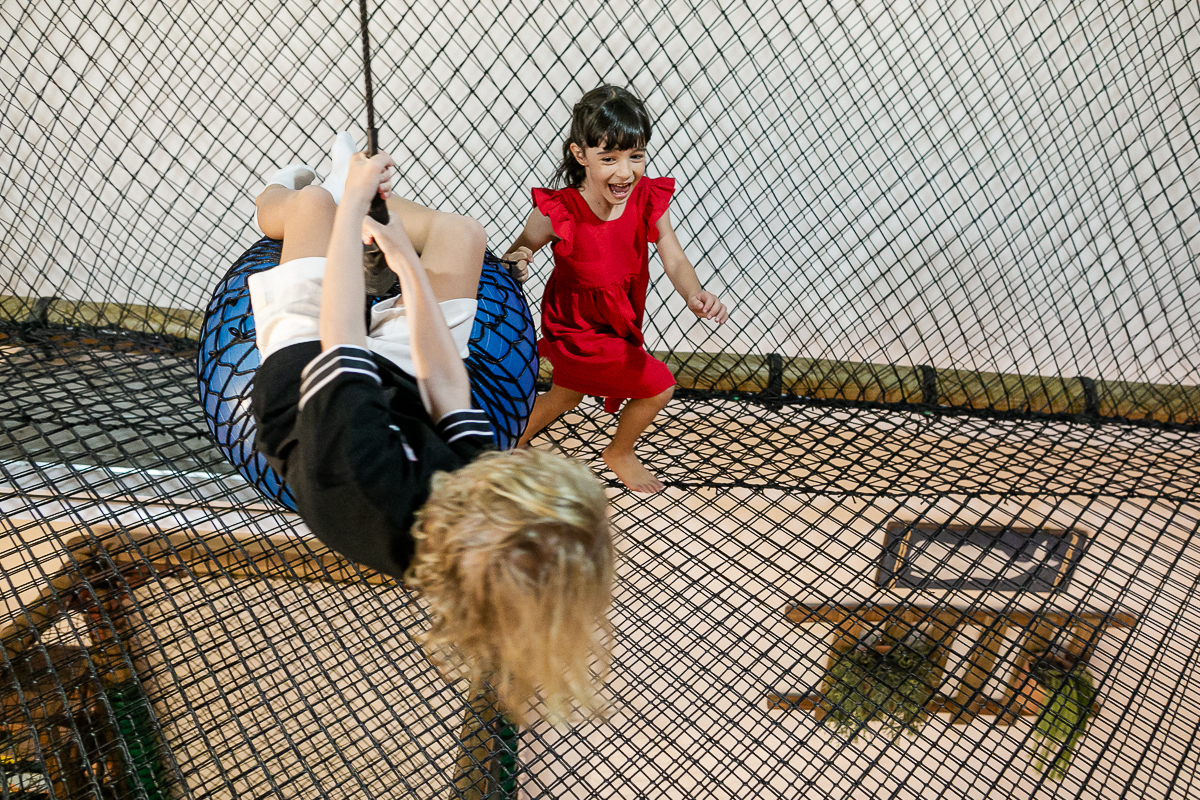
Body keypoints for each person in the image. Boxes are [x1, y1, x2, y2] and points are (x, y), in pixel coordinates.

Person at [248, 137, 613, 722]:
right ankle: (359, 214)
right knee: (464, 237)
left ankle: (278, 199)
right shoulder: (479, 504)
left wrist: (352, 208)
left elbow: (340, 336)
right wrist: (405, 265)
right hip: (394, 397)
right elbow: (447, 390)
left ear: (493, 514)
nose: (514, 458)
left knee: (315, 203)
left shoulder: (366, 481)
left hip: (306, 371)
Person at [503, 86, 729, 494]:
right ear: (580, 155)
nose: (624, 172)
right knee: (659, 385)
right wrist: (519, 259)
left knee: (565, 395)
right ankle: (620, 451)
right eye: (609, 158)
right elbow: (521, 246)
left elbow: (674, 257)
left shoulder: (645, 198)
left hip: (617, 321)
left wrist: (695, 293)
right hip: (576, 328)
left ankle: (510, 442)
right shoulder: (559, 209)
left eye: (635, 156)